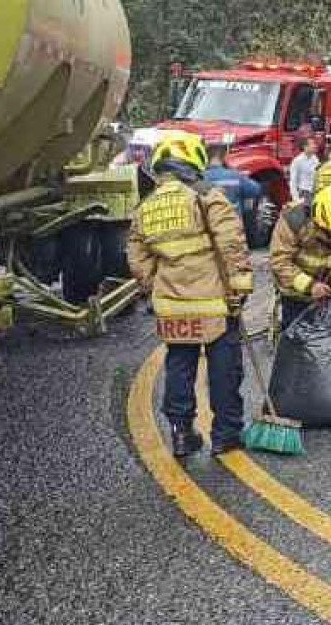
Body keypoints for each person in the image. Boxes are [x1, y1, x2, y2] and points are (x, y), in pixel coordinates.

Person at [127, 131, 254, 457]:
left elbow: (137, 259)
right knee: (224, 367)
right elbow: (231, 242)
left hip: (171, 305)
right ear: (193, 161)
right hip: (213, 302)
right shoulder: (206, 195)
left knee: (179, 366)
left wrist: (156, 286)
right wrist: (240, 285)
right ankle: (226, 434)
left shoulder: (146, 207)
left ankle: (182, 434)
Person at [269, 183, 331, 331]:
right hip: (297, 290)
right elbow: (280, 261)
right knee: (296, 333)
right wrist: (310, 286)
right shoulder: (294, 220)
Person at [204, 140, 263, 249]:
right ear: (224, 155)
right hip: (232, 230)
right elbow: (256, 190)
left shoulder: (200, 177)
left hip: (208, 231)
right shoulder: (235, 176)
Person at [289, 137, 320, 204]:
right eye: (312, 144)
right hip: (304, 194)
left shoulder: (315, 159)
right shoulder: (297, 161)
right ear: (305, 147)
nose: (315, 146)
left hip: (315, 192)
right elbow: (293, 182)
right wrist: (296, 199)